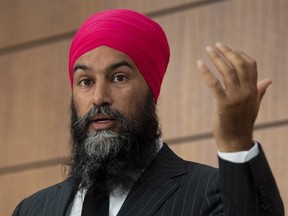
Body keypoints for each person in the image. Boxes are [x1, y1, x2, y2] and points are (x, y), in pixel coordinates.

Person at [12, 8, 284, 216]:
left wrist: (236, 143)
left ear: (151, 89)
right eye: (86, 81)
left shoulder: (211, 192)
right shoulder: (32, 209)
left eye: (118, 77)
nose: (99, 97)